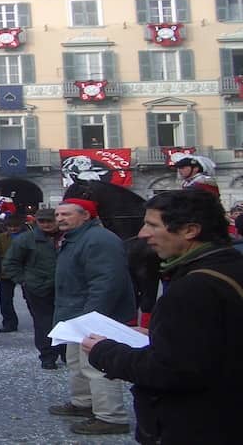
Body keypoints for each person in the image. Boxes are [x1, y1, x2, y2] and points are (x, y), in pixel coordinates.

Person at [83, 190, 243, 444]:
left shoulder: (193, 287)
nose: (143, 234)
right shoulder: (229, 265)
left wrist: (104, 351)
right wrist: (161, 334)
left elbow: (171, 370)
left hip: (202, 422)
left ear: (190, 230)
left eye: (152, 225)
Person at [47, 198, 135, 436]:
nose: (60, 219)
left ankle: (111, 416)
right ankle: (84, 403)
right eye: (58, 215)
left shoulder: (99, 239)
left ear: (86, 215)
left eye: (66, 214)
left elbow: (107, 281)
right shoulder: (77, 237)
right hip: (76, 314)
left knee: (97, 365)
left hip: (92, 315)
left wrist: (93, 316)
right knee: (77, 363)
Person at [3, 208, 66, 369]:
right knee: (43, 323)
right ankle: (48, 356)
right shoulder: (26, 239)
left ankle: (66, 352)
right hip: (37, 288)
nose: (46, 224)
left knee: (66, 321)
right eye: (42, 221)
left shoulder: (68, 236)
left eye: (49, 221)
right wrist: (24, 281)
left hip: (66, 287)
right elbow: (10, 263)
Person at [0, 214, 28, 333]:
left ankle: (40, 319)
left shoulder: (29, 237)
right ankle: (9, 322)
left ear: (21, 226)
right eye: (10, 226)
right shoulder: (0, 238)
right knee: (5, 300)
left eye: (15, 226)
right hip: (6, 272)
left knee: (30, 298)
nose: (13, 229)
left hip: (25, 271)